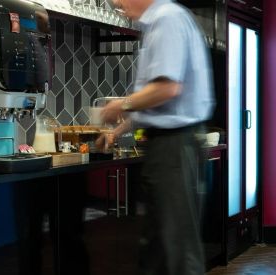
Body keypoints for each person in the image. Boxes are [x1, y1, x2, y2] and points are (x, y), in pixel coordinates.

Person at [96, 0, 215, 274]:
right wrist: (117, 131)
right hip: (171, 146)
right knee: (159, 249)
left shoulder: (166, 19)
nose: (116, 4)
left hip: (173, 147)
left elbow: (167, 88)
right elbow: (154, 102)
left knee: (178, 251)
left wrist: (120, 105)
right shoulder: (163, 21)